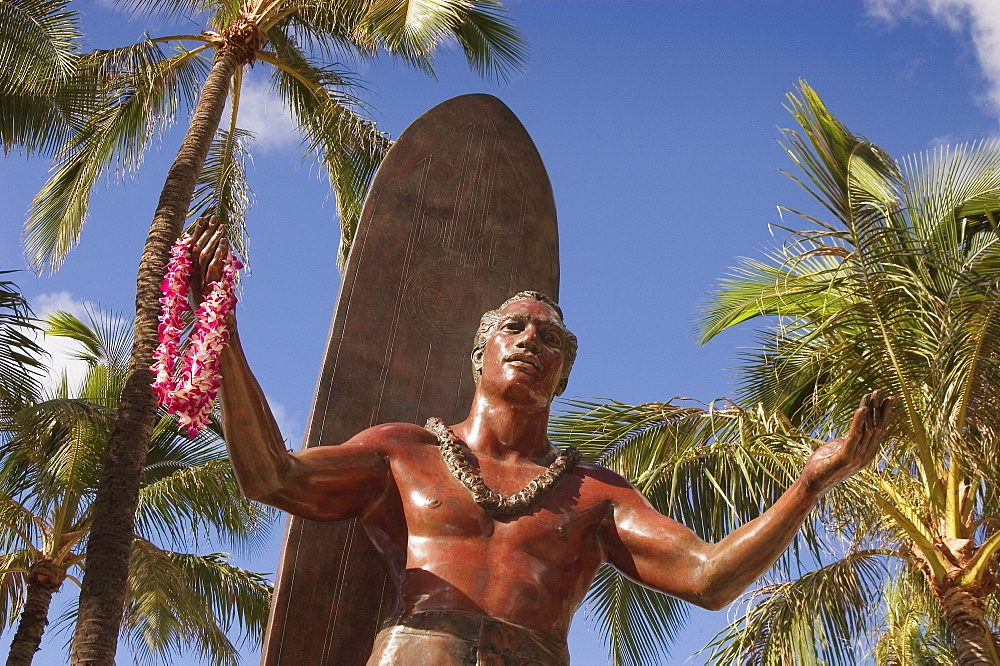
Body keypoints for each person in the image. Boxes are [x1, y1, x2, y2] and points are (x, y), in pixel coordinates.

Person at [187, 217, 892, 665]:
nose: (530, 340)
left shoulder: (596, 494)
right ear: (480, 355)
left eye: (549, 337)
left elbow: (707, 578)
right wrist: (223, 331)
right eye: (514, 329)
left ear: (563, 372)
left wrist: (810, 484)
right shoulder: (402, 452)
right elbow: (273, 477)